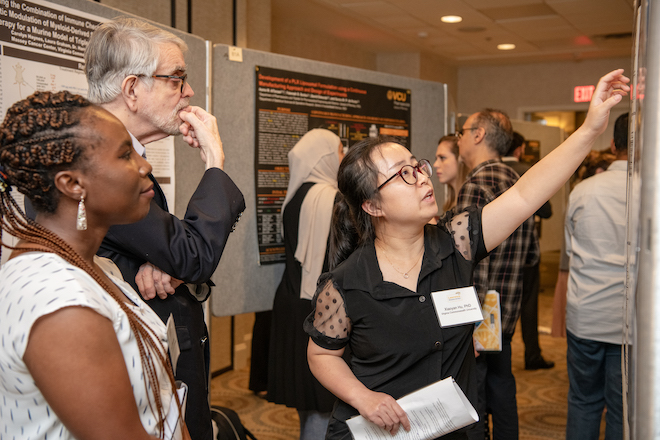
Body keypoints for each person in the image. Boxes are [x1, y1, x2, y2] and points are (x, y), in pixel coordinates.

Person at [304, 70, 629, 440]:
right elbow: (322, 356)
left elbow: (525, 196)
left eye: (418, 166)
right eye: (403, 175)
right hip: (376, 432)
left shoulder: (455, 241)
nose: (423, 177)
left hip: (450, 429)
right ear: (373, 206)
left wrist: (589, 130)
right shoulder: (345, 283)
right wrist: (364, 398)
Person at [85, 17, 245, 440]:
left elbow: (156, 246)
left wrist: (150, 260)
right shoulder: (101, 161)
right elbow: (191, 255)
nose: (189, 92)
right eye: (177, 79)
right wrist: (215, 159)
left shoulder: (116, 154)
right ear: (133, 89)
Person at [0, 91, 189, 439]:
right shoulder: (58, 300)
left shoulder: (96, 267)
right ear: (72, 184)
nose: (144, 165)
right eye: (124, 154)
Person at [455, 108, 536, 440]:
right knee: (502, 388)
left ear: (478, 135)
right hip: (505, 311)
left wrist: (469, 321)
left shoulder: (476, 185)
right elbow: (531, 254)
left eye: (462, 131)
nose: (459, 138)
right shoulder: (519, 182)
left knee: (473, 398)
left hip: (479, 315)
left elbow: (465, 263)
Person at [267, 128, 345, 439]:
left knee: (306, 400)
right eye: (339, 151)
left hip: (290, 305)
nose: (343, 158)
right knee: (323, 403)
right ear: (325, 157)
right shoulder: (336, 200)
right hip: (323, 312)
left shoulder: (294, 197)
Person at [564, 112, 629, 440]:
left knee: (583, 401)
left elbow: (570, 250)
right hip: (630, 323)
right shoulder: (655, 192)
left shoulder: (584, 192)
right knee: (622, 408)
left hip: (585, 316)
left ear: (614, 144)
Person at [501, 132, 554, 370]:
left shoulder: (490, 171)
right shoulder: (528, 171)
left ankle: (497, 356)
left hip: (496, 251)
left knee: (494, 303)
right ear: (520, 149)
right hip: (524, 252)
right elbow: (546, 211)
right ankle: (532, 355)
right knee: (529, 304)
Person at [434, 134, 469, 212]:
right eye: (436, 159)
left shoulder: (471, 200)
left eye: (442, 158)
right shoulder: (451, 203)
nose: (435, 165)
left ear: (459, 158)